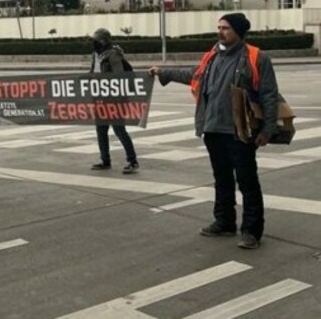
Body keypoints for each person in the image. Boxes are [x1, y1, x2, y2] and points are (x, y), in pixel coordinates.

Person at [149, 13, 279, 250]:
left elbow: (269, 95)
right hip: (213, 129)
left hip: (240, 131)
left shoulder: (256, 57)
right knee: (222, 178)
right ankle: (224, 221)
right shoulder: (212, 56)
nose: (220, 31)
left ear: (238, 31)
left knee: (247, 181)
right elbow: (192, 75)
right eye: (219, 27)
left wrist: (268, 129)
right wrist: (162, 72)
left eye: (225, 28)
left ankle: (251, 230)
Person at [89, 28, 139, 174]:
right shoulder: (95, 55)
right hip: (100, 97)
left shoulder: (113, 55)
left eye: (97, 40)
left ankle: (132, 161)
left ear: (104, 41)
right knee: (101, 130)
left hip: (114, 98)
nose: (94, 43)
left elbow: (119, 76)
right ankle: (105, 160)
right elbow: (93, 72)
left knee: (119, 129)